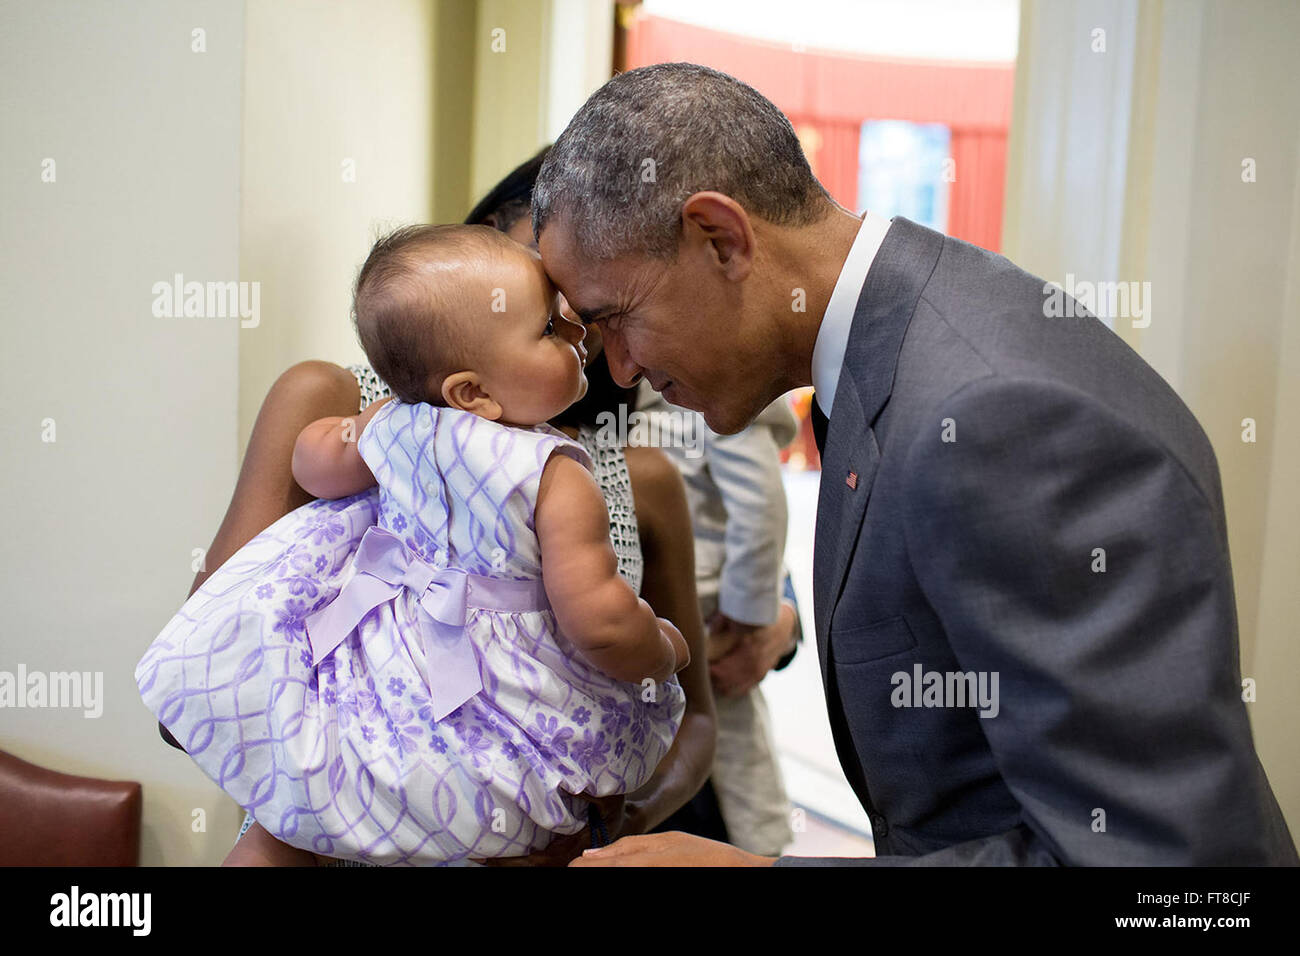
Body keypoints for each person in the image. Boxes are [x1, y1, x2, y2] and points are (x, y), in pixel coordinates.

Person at [532, 62, 1298, 866]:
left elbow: (1170, 870)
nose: (617, 370)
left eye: (616, 318)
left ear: (720, 238)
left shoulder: (1000, 418)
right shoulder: (887, 345)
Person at [155, 149, 716, 866]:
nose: (572, 315)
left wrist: (596, 821)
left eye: (590, 292)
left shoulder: (626, 473)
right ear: (481, 238)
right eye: (544, 276)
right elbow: (207, 676)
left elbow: (693, 716)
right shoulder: (342, 405)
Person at [637, 382, 801, 855]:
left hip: (709, 623)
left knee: (738, 757)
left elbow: (760, 502)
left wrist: (755, 615)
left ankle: (762, 849)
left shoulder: (705, 388)